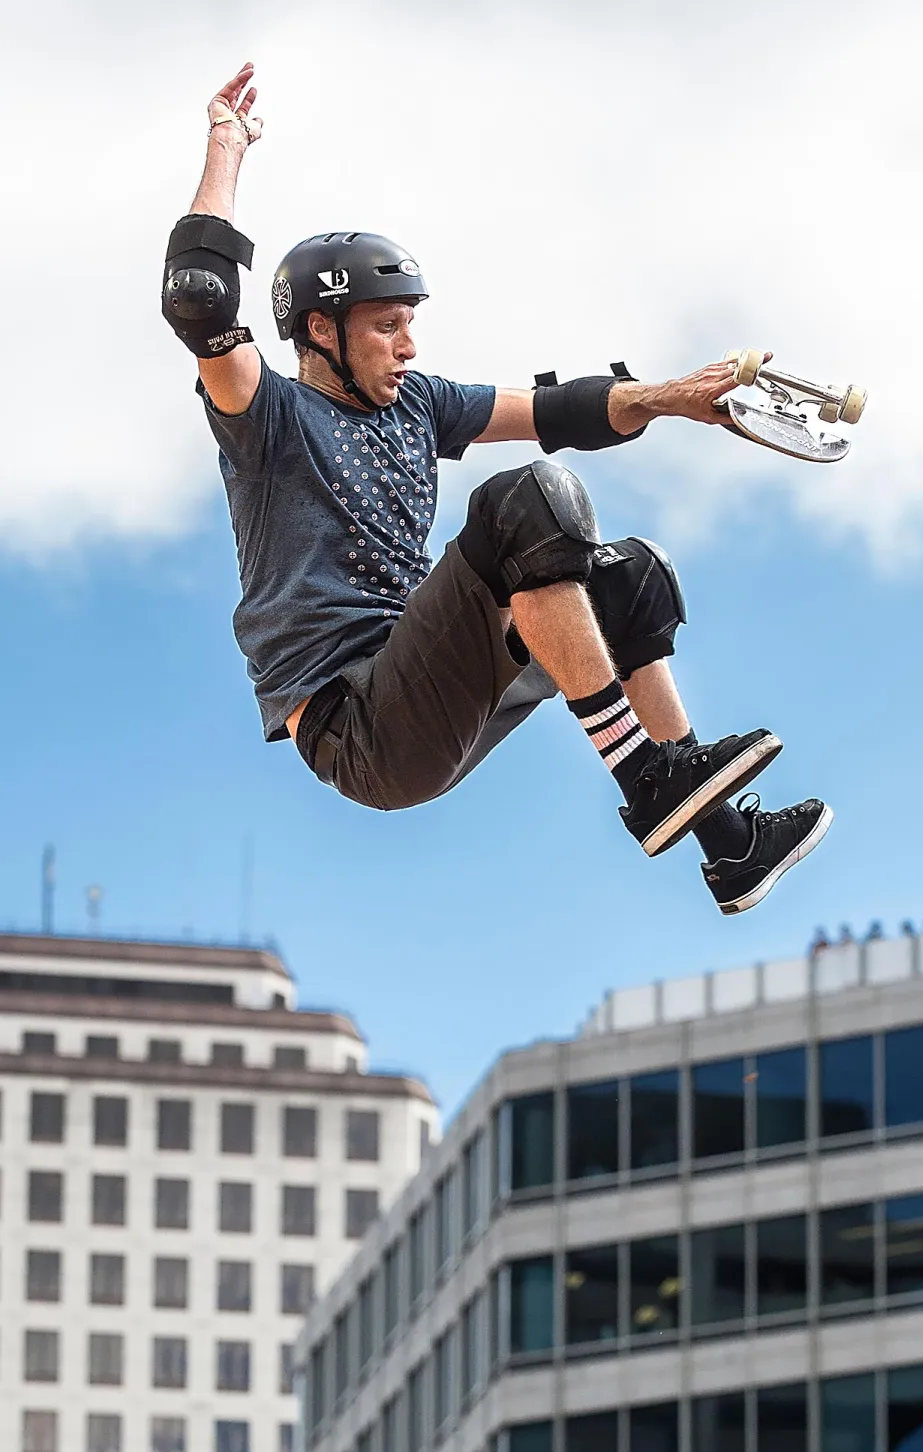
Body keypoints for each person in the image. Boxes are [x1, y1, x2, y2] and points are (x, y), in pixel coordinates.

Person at [162, 64, 833, 916]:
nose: (408, 347)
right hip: (359, 724)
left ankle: (731, 848)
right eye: (387, 326)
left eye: (411, 324)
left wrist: (678, 398)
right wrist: (226, 144)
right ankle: (646, 777)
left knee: (628, 574)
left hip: (435, 684)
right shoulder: (266, 415)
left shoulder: (418, 405)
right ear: (320, 331)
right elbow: (199, 299)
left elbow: (559, 409)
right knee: (526, 502)